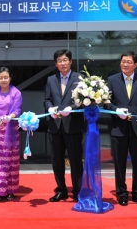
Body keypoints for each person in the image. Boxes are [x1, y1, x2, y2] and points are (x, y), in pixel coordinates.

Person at [104, 51, 137, 206]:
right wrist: (115, 110)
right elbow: (105, 101)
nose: (125, 64)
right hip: (119, 127)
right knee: (119, 163)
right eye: (123, 61)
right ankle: (122, 194)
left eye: (128, 62)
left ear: (135, 64)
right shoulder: (112, 80)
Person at [44, 49, 86, 202]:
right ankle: (61, 189)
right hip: (55, 126)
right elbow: (47, 100)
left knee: (75, 160)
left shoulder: (80, 78)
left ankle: (77, 190)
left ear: (71, 61)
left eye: (65, 60)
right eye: (59, 61)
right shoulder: (51, 80)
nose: (62, 63)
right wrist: (49, 108)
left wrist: (72, 109)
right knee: (57, 160)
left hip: (73, 126)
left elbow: (84, 101)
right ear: (56, 64)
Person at [0, 67, 22, 201]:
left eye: (6, 77)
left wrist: (9, 117)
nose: (3, 80)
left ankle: (10, 190)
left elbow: (17, 109)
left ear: (10, 78)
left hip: (11, 131)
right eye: (1, 78)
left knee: (11, 161)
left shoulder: (16, 92)